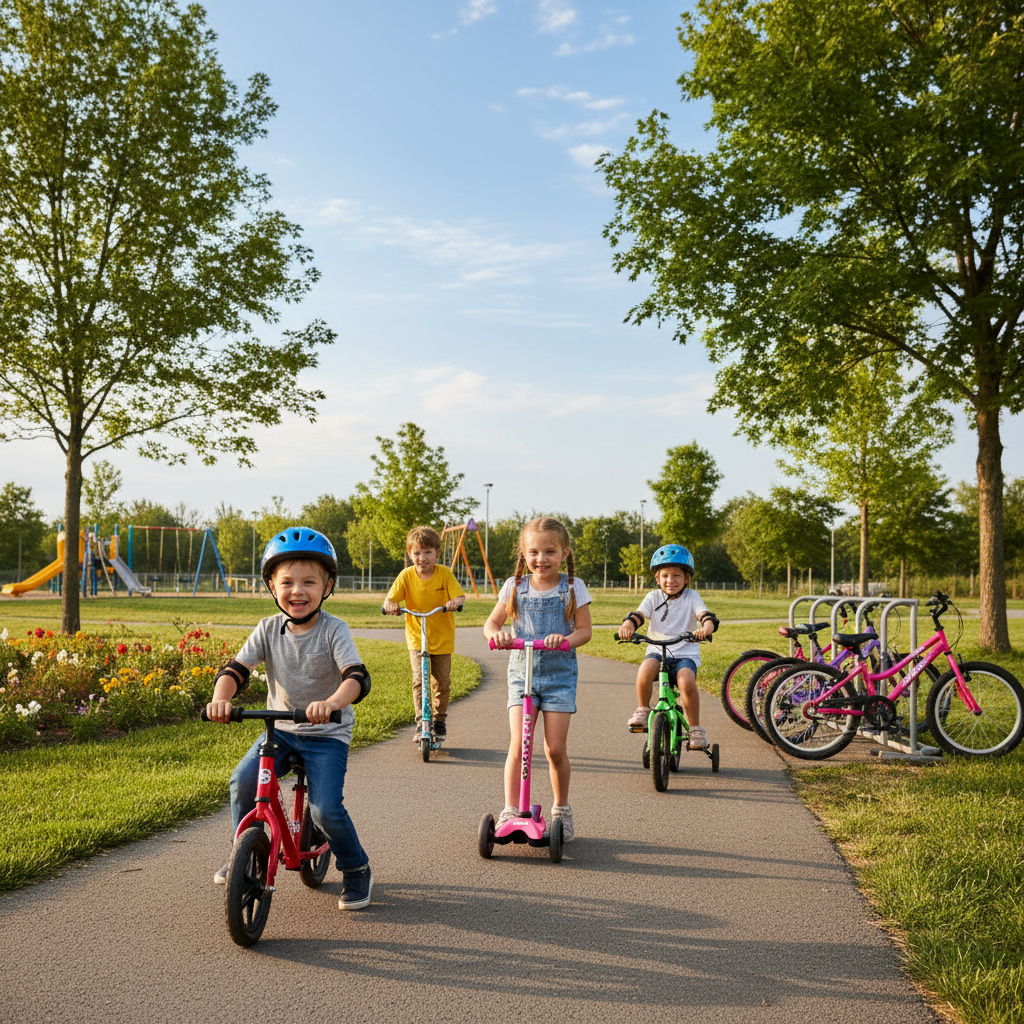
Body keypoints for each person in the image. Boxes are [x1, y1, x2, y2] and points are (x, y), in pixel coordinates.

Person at [206, 527, 374, 911]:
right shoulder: (267, 628)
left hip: (326, 732)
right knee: (243, 781)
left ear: (327, 585)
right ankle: (244, 856)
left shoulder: (334, 629)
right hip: (279, 729)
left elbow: (357, 678)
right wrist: (220, 699)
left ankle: (356, 867)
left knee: (325, 809)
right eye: (287, 582)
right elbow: (237, 669)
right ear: (271, 585)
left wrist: (331, 702)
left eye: (309, 582)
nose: (297, 591)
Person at [483, 516, 592, 841]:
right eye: (534, 552)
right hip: (522, 674)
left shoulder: (573, 586)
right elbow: (490, 625)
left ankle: (561, 809)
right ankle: (511, 808)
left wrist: (566, 640)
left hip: (558, 675)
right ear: (524, 554)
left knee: (554, 749)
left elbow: (585, 631)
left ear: (564, 553)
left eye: (549, 552)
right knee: (519, 745)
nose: (541, 559)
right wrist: (498, 635)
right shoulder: (514, 586)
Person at [617, 544, 719, 749]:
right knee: (645, 669)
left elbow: (705, 616)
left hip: (685, 654)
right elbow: (639, 616)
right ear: (657, 578)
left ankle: (695, 729)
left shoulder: (692, 597)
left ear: (686, 578)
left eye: (676, 576)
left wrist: (706, 628)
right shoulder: (652, 597)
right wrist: (628, 624)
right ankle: (643, 709)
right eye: (664, 576)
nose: (670, 581)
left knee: (686, 680)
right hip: (657, 650)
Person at [383, 526, 465, 740]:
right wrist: (391, 605)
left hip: (442, 639)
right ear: (410, 554)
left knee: (442, 682)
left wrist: (455, 602)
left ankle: (439, 720)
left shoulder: (444, 574)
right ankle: (421, 722)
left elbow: (460, 597)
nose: (422, 558)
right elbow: (390, 599)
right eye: (417, 553)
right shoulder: (406, 576)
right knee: (419, 680)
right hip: (417, 638)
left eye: (428, 552)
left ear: (437, 553)